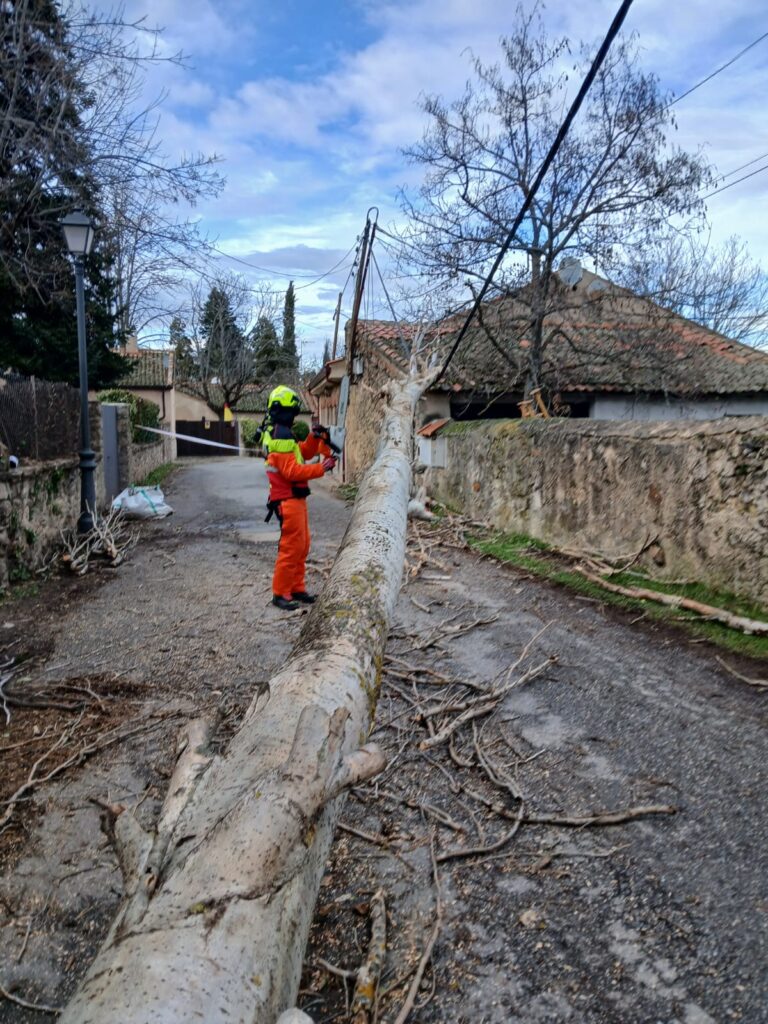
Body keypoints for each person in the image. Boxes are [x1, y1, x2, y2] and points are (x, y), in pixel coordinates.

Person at [263, 385, 336, 611]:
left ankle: (296, 588)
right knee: (291, 547)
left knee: (302, 545)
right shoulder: (281, 434)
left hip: (295, 498)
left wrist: (314, 439)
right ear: (283, 411)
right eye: (292, 411)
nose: (295, 415)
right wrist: (321, 468)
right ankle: (280, 593)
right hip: (287, 499)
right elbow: (292, 471)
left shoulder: (284, 432)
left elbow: (302, 452)